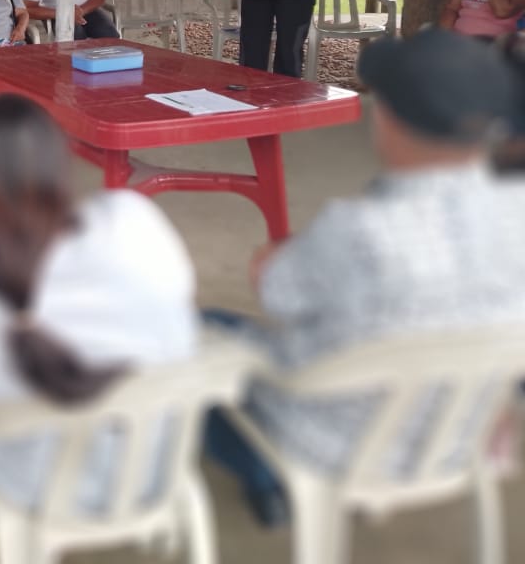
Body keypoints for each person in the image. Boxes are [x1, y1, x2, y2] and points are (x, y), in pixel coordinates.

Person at [205, 29, 525, 527]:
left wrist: (275, 258)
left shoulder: (357, 231)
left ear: (388, 119)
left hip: (333, 443)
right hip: (456, 436)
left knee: (202, 334)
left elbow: (277, 292)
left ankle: (266, 478)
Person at [0, 95, 197, 510]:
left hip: (38, 495)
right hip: (153, 478)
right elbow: (181, 318)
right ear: (60, 166)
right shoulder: (134, 220)